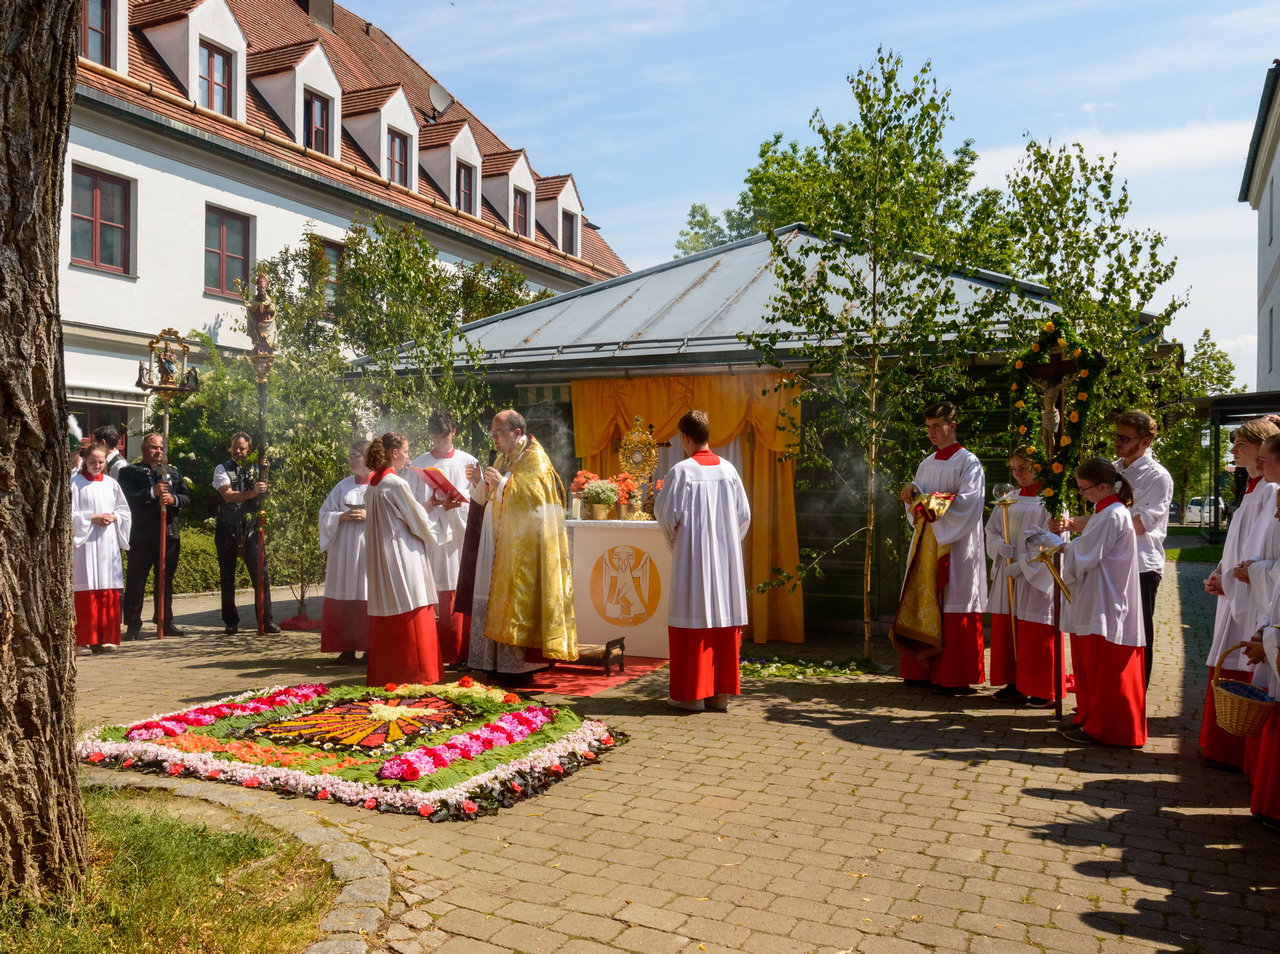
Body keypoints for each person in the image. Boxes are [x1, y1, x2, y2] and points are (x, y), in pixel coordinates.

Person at [1057, 411, 1172, 687]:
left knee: (1137, 633)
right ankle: (1104, 691)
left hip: (1141, 564)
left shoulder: (1159, 477)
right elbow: (1102, 516)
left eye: (1125, 438)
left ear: (1146, 441)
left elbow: (1139, 524)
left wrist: (1087, 528)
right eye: (1116, 436)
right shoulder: (1113, 468)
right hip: (1108, 564)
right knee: (1107, 632)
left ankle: (1134, 696)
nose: (1118, 442)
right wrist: (1070, 523)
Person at [467, 410, 577, 675]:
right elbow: (492, 495)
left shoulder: (535, 458)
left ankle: (518, 664)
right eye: (492, 433)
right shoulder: (506, 456)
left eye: (498, 433)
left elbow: (536, 498)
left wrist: (503, 484)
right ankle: (491, 662)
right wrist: (479, 483)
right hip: (498, 540)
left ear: (517, 433)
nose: (494, 439)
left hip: (523, 547)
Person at [655, 410, 751, 712]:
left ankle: (691, 696)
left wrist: (680, 547)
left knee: (691, 616)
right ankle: (719, 694)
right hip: (725, 563)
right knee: (723, 616)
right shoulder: (729, 470)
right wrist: (727, 548)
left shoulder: (682, 471)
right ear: (708, 434)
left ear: (685, 437)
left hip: (692, 559)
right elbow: (744, 516)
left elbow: (666, 516)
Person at [1199, 417, 1280, 768]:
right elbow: (1239, 544)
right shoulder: (1253, 489)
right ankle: (1222, 745)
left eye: (1240, 445)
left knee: (1241, 660)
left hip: (1254, 599)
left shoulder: (1270, 491)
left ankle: (1232, 750)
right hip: (1237, 590)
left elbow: (1262, 551)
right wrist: (1221, 571)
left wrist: (1233, 579)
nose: (1233, 451)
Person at [892, 401, 987, 694]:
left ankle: (953, 676)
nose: (932, 432)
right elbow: (917, 503)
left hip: (956, 546)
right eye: (928, 427)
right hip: (926, 543)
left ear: (952, 425)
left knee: (954, 599)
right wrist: (910, 495)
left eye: (937, 426)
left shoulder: (969, 462)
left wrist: (925, 499)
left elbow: (969, 503)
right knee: (923, 599)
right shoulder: (926, 462)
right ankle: (918, 671)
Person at [1058, 457, 1146, 748]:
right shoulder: (1105, 511)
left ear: (1105, 486)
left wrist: (1058, 545)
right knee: (1091, 667)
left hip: (1106, 600)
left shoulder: (1112, 514)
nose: (1082, 494)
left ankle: (1108, 728)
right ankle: (1091, 717)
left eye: (1084, 489)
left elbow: (1085, 554)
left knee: (1105, 669)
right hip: (1098, 596)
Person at [364, 432, 444, 686]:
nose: (408, 456)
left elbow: (405, 513)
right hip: (403, 554)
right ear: (394, 453)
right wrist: (441, 520)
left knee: (390, 608)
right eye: (406, 451)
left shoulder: (374, 484)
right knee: (412, 603)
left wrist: (427, 506)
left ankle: (388, 674)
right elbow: (417, 521)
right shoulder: (396, 484)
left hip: (382, 555)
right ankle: (420, 675)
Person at [984, 452, 1059, 707]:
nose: (1018, 474)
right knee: (1008, 626)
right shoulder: (1010, 498)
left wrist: (1023, 565)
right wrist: (997, 546)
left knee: (1035, 630)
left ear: (1037, 467)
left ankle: (1041, 688)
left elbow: (1051, 540)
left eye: (1023, 468)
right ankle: (1013, 682)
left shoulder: (1051, 501)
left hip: (1034, 576)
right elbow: (992, 529)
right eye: (1014, 470)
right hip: (1009, 571)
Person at [409, 410, 476, 665]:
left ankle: (457, 652)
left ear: (454, 432)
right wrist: (431, 503)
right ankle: (430, 652)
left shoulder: (468, 461)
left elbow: (477, 500)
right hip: (430, 535)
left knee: (454, 587)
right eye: (435, 436)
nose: (439, 441)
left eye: (444, 435)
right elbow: (411, 504)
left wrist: (455, 505)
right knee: (430, 590)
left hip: (456, 538)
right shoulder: (420, 462)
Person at [119, 432, 190, 638]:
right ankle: (133, 625)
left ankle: (165, 621)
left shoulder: (172, 473)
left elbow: (187, 497)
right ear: (143, 449)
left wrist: (173, 499)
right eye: (153, 447)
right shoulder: (129, 472)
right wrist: (152, 493)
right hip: (141, 536)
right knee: (136, 581)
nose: (158, 451)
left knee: (165, 580)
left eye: (161, 448)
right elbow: (127, 499)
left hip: (168, 534)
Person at [212, 431, 277, 635]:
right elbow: (228, 495)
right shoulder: (222, 468)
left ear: (249, 449)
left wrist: (265, 473)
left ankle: (265, 620)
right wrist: (252, 493)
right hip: (228, 527)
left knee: (261, 574)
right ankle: (230, 621)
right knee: (227, 575)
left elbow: (267, 495)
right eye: (235, 447)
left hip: (251, 527)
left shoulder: (256, 469)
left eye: (242, 447)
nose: (238, 451)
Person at [71, 445, 132, 655]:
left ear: (106, 462)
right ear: (84, 460)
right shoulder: (75, 484)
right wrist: (91, 518)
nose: (96, 465)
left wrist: (114, 517)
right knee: (85, 588)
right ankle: (83, 640)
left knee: (108, 588)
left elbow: (124, 509)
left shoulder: (111, 484)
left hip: (107, 542)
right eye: (92, 462)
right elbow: (67, 514)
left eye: (101, 462)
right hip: (85, 544)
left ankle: (107, 637)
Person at [319, 439, 372, 665]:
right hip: (344, 551)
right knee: (346, 596)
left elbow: (393, 514)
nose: (350, 460)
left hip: (368, 548)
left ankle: (371, 648)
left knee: (367, 596)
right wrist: (341, 516)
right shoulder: (343, 486)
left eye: (355, 456)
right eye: (349, 455)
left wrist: (368, 515)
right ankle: (347, 648)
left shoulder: (380, 484)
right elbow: (324, 514)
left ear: (368, 458)